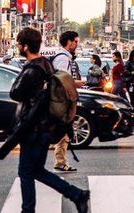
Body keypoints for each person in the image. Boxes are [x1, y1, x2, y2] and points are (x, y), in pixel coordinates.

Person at [3, 27, 90, 213]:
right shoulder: (46, 64)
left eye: (19, 43)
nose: (17, 46)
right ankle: (77, 195)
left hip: (33, 128)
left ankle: (28, 210)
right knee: (36, 170)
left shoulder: (33, 69)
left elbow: (15, 93)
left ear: (25, 46)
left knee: (26, 172)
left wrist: (22, 73)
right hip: (45, 127)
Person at [52, 30, 83, 173]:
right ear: (69, 42)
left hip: (62, 100)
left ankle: (61, 161)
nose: (77, 44)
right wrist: (76, 84)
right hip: (61, 100)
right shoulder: (63, 58)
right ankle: (60, 162)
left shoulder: (66, 57)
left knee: (64, 131)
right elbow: (60, 79)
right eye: (76, 41)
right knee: (63, 131)